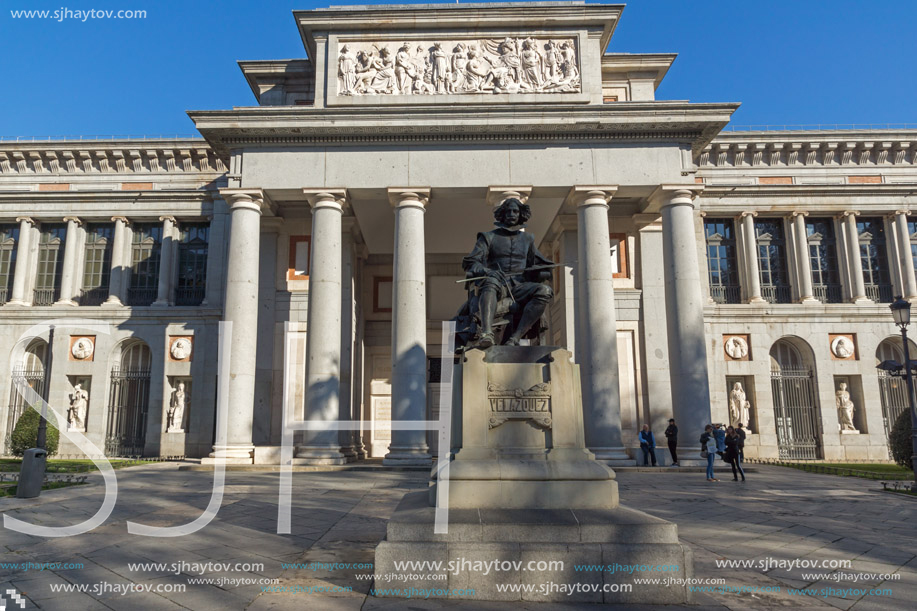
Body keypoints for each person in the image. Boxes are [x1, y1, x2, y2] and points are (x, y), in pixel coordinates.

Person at [458, 198, 554, 348]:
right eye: (508, 211)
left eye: (515, 211)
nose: (511, 214)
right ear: (502, 214)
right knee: (490, 282)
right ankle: (487, 334)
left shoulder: (528, 239)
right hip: (497, 286)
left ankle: (515, 338)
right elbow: (471, 262)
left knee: (545, 290)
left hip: (520, 287)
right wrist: (487, 271)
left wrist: (543, 270)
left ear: (521, 214)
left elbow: (538, 263)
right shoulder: (488, 237)